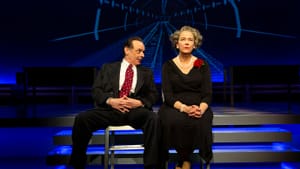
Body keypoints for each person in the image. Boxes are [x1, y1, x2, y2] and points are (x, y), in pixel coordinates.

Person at [69, 36, 160, 169]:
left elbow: (153, 95)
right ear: (127, 50)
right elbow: (96, 91)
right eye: (138, 51)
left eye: (143, 52)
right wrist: (111, 100)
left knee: (153, 118)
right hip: (110, 110)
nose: (142, 55)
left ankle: (152, 165)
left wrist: (139, 103)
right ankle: (77, 163)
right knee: (82, 119)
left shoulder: (146, 73)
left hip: (134, 111)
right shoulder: (108, 68)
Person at [158, 26, 213, 169]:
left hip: (198, 105)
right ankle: (185, 160)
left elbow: (207, 94)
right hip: (175, 105)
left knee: (200, 121)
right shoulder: (168, 66)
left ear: (195, 44)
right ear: (177, 44)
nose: (187, 42)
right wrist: (184, 108)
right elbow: (168, 95)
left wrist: (200, 109)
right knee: (173, 120)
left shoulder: (202, 65)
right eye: (183, 39)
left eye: (190, 40)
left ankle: (182, 161)